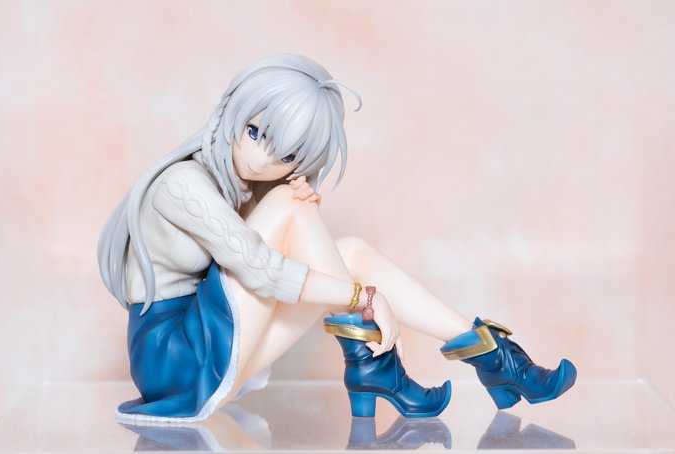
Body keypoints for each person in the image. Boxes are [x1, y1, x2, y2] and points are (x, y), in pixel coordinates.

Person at [98, 54, 576, 425]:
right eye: (254, 131)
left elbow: (263, 255)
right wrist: (363, 297)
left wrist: (288, 201)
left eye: (287, 156)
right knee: (296, 210)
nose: (263, 159)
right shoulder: (181, 184)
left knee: (351, 251)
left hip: (209, 340)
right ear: (232, 109)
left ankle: (490, 355)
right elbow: (259, 268)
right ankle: (380, 365)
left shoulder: (238, 184)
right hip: (173, 358)